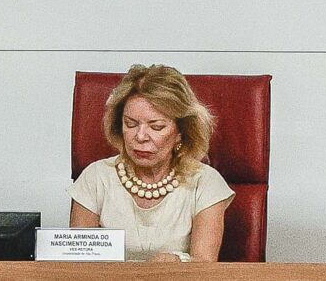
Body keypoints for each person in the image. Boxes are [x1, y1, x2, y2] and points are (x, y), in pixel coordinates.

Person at [69, 64, 234, 262]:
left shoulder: (205, 182)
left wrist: (175, 263)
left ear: (181, 132)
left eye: (156, 127)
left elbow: (204, 265)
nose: (140, 136)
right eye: (130, 124)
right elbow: (78, 263)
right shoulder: (95, 177)